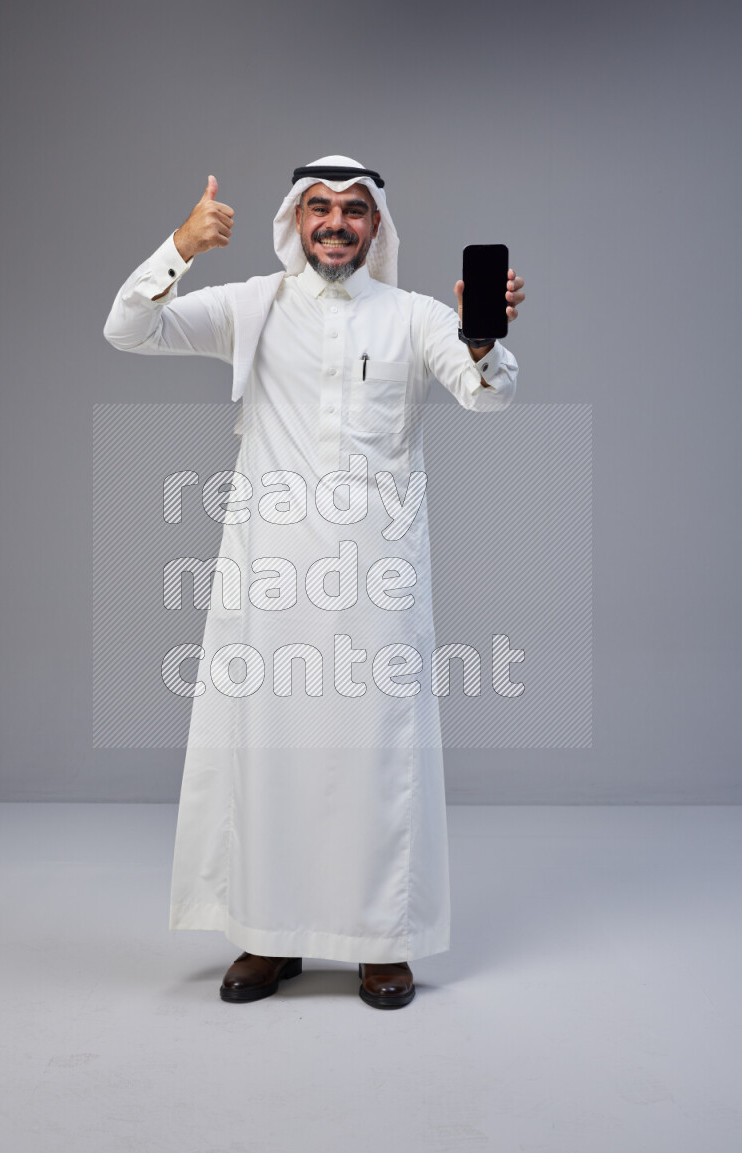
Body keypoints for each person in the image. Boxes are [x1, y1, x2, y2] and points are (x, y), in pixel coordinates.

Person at [103, 155, 525, 1010]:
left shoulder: (415, 317)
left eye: (354, 210)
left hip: (376, 578)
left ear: (376, 227)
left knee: (376, 758)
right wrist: (181, 247)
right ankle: (269, 933)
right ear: (296, 219)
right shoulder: (252, 305)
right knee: (270, 757)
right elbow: (128, 330)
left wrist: (482, 339)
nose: (336, 223)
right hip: (271, 576)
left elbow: (487, 396)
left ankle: (380, 942)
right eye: (320, 207)